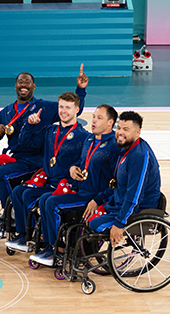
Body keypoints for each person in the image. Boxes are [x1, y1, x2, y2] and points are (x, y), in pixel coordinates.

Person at [0, 66, 88, 238]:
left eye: (28, 82)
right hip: (14, 157)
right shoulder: (6, 111)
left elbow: (73, 109)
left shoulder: (44, 107)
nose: (23, 85)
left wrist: (80, 90)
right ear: (15, 86)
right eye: (20, 81)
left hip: (34, 160)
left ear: (33, 86)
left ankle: (12, 214)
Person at [31, 104, 120, 266]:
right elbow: (81, 162)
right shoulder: (89, 139)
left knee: (51, 203)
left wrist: (98, 200)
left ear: (110, 123)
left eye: (99, 118)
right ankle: (51, 246)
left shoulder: (114, 146)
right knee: (44, 199)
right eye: (93, 116)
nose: (93, 121)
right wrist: (73, 168)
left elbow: (117, 182)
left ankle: (57, 250)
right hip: (80, 189)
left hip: (92, 196)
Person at [4, 92, 90, 254]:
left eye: (68, 108)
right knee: (18, 192)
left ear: (77, 110)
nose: (63, 111)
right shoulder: (50, 131)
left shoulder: (83, 136)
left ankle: (47, 240)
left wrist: (75, 167)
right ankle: (24, 235)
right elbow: (26, 143)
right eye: (61, 107)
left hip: (65, 187)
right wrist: (29, 126)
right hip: (48, 183)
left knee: (31, 196)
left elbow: (85, 161)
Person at [86, 111, 161, 247]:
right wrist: (97, 199)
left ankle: (84, 258)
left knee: (94, 224)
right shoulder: (125, 148)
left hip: (138, 210)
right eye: (119, 128)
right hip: (120, 203)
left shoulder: (138, 156)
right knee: (86, 215)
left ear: (137, 132)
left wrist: (120, 223)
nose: (120, 132)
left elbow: (135, 194)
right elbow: (117, 184)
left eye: (126, 129)